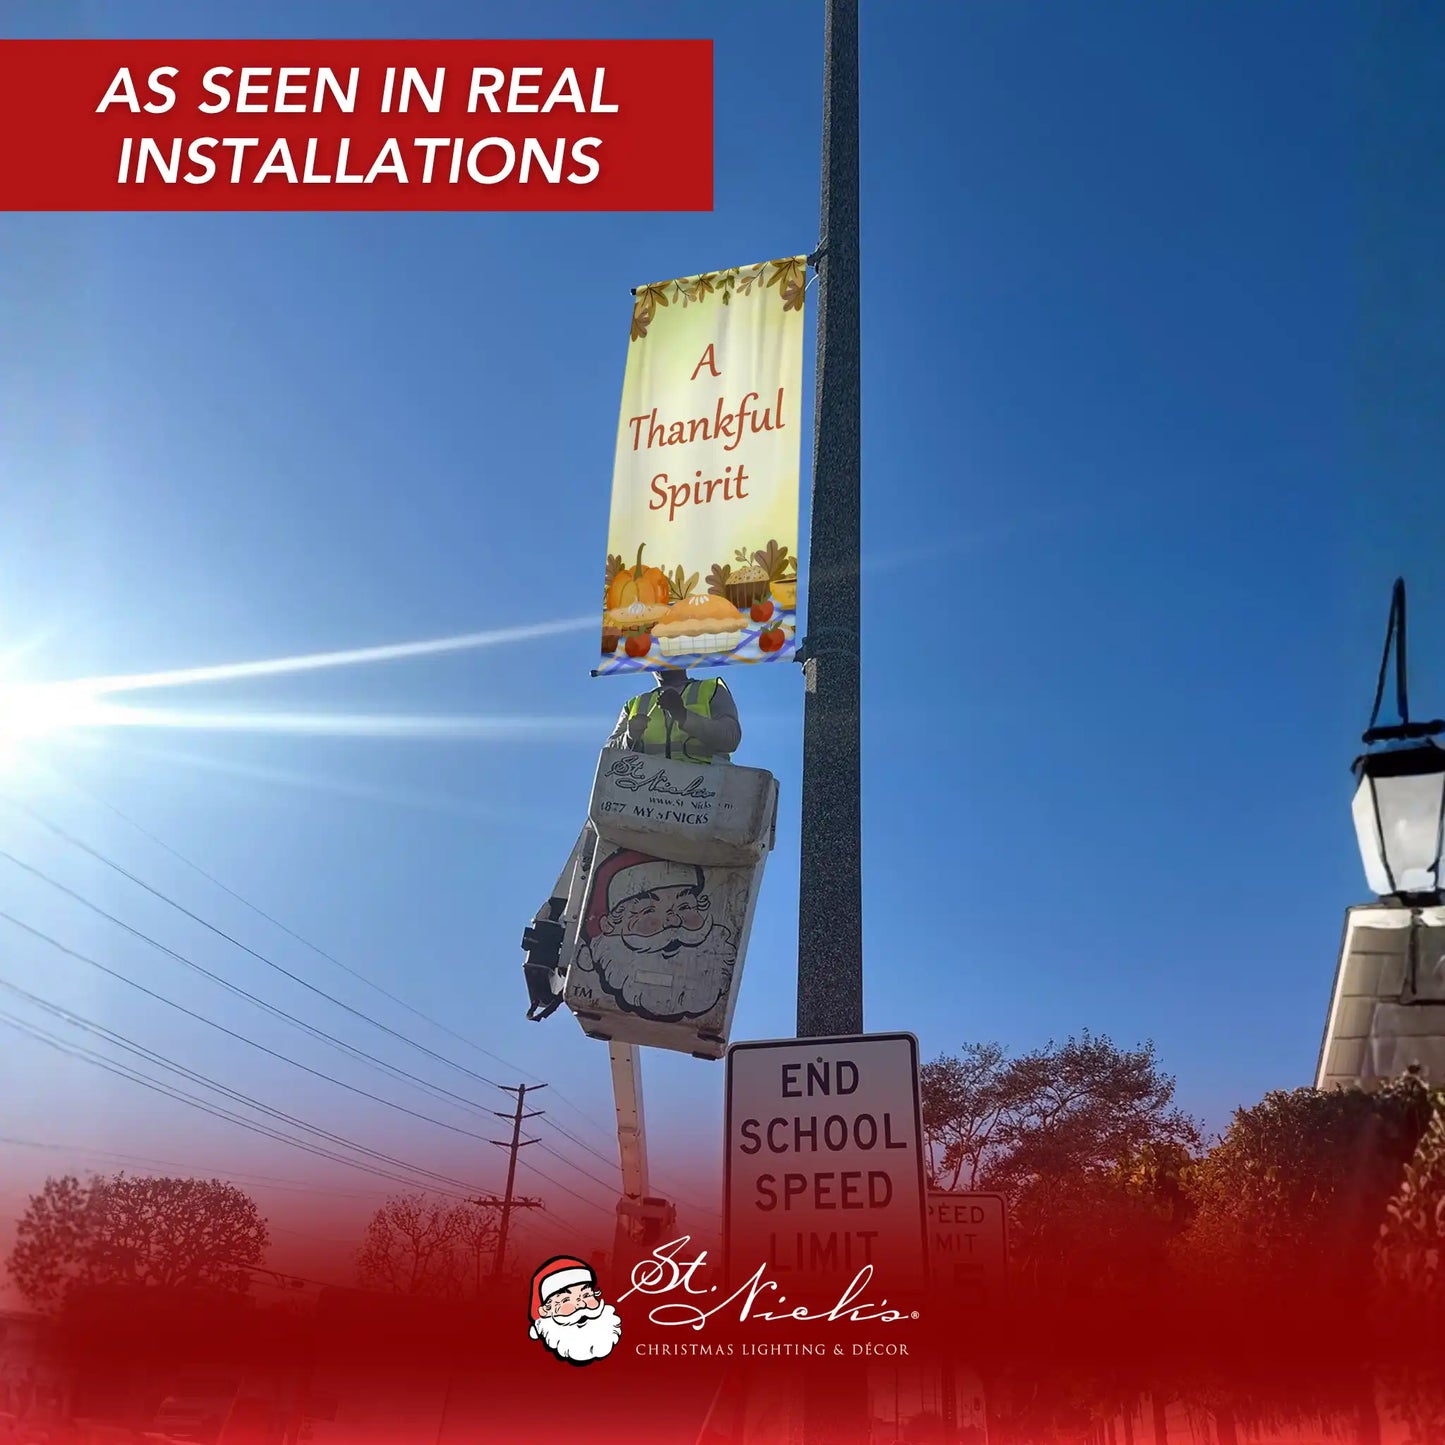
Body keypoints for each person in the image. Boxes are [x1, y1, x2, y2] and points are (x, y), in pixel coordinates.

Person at [520, 668, 741, 1021]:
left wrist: (684, 718)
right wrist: (629, 739)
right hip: (639, 804)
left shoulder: (711, 690)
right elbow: (610, 753)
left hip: (698, 805)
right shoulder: (635, 704)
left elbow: (730, 737)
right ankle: (554, 951)